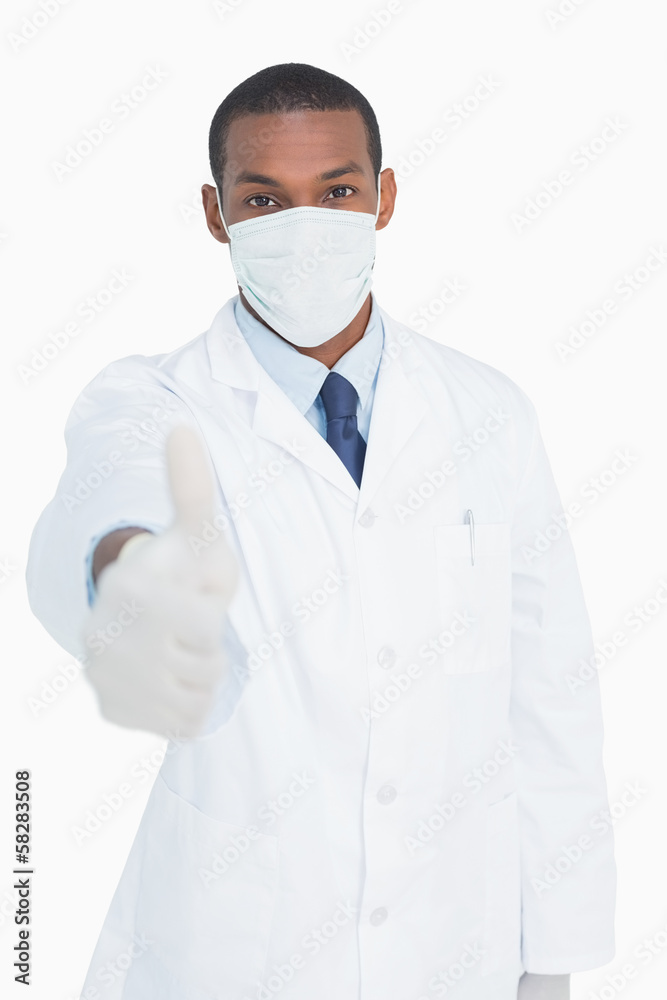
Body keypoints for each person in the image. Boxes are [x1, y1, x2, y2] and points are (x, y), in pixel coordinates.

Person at [25, 62, 616, 1000]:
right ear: (216, 216)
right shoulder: (156, 397)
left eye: (335, 191)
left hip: (453, 943)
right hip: (232, 950)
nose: (302, 227)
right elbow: (103, 501)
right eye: (264, 199)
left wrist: (553, 957)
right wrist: (125, 579)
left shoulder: (488, 412)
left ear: (382, 197)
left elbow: (550, 699)